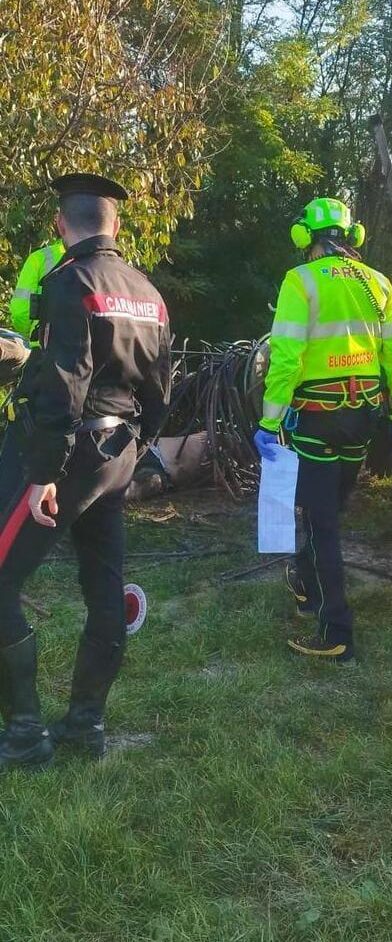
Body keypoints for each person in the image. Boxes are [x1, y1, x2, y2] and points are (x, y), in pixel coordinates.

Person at [0, 172, 171, 770]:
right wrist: (132, 449)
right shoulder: (148, 292)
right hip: (115, 456)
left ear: (60, 227)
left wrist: (44, 471)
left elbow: (66, 383)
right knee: (103, 589)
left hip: (64, 454)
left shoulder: (70, 282)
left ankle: (23, 736)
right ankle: (85, 727)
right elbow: (161, 393)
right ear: (115, 225)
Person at [255, 197, 392, 663]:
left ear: (305, 237)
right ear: (353, 236)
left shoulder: (300, 280)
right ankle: (305, 583)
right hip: (363, 418)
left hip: (318, 419)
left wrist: (269, 420)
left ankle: (335, 629)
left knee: (322, 522)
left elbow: (286, 357)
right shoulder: (379, 284)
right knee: (331, 509)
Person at [9, 239, 66, 344]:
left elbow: (21, 312)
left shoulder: (40, 258)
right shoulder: (103, 259)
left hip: (43, 343)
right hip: (95, 349)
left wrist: (26, 335)